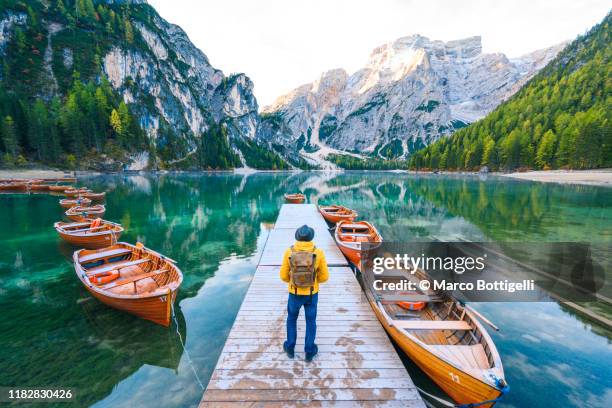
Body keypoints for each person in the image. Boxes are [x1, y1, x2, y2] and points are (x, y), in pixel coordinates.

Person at [279, 224, 329, 362]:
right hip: (312, 294)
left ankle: (290, 347)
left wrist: (294, 279)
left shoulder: (289, 252)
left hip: (294, 294)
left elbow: (283, 276)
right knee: (311, 321)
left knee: (291, 319)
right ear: (311, 237)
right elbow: (324, 277)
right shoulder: (318, 252)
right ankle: (309, 351)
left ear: (297, 236)